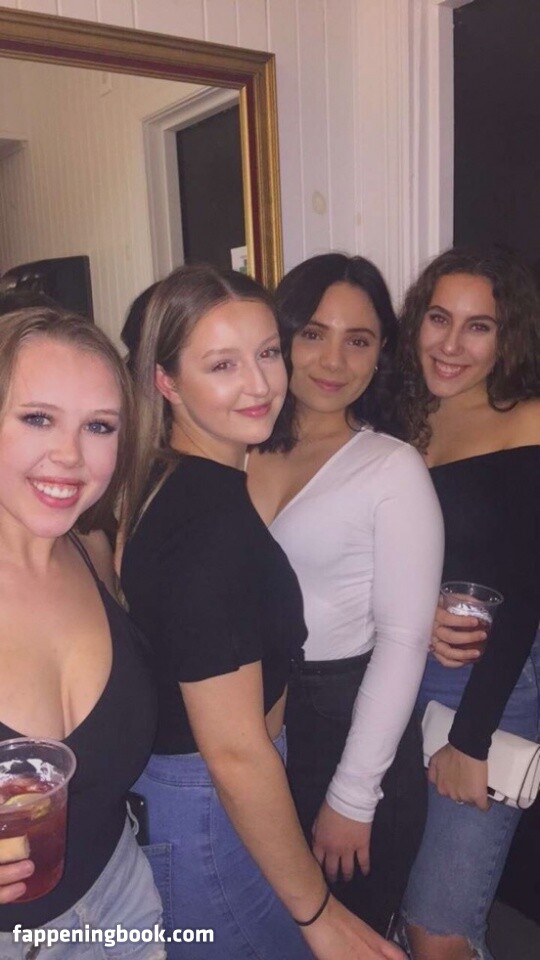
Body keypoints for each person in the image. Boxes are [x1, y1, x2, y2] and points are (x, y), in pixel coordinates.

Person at [119, 262, 405, 960]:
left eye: (268, 353)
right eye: (222, 365)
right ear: (166, 381)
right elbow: (235, 750)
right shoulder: (208, 520)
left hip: (196, 795)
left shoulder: (173, 477)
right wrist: (319, 914)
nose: (260, 384)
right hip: (213, 805)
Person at [246, 253, 444, 936]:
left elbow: (403, 642)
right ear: (281, 335)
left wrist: (354, 796)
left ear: (381, 354)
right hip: (248, 716)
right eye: (313, 333)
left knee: (348, 937)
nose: (333, 360)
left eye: (357, 340)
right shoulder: (240, 447)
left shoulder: (391, 466)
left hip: (344, 726)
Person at [0, 307, 163, 958]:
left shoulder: (90, 550)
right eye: (38, 418)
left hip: (124, 901)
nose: (70, 455)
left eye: (98, 426)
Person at [395, 246, 540, 960]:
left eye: (478, 326)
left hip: (485, 684)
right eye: (438, 318)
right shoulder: (401, 419)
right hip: (395, 676)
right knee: (394, 897)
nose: (451, 344)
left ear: (507, 337)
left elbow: (527, 597)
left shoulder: (529, 424)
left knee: (439, 925)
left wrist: (472, 740)